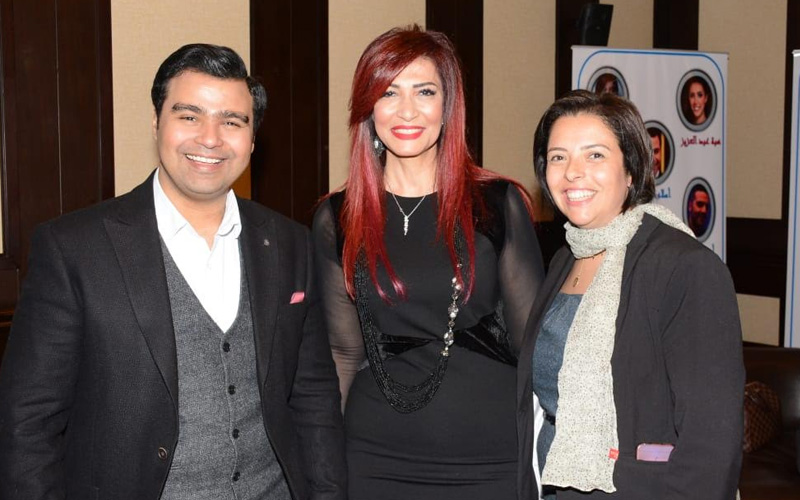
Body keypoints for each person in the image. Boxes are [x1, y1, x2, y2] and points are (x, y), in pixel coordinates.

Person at [0, 44, 346, 499]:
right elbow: (27, 423)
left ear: (252, 138)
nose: (210, 138)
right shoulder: (74, 249)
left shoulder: (290, 244)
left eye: (232, 121)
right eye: (189, 116)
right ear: (156, 122)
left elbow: (313, 397)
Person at [312, 25, 545, 500]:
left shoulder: (496, 204)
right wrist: (322, 465)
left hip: (489, 458)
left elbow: (534, 346)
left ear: (448, 105)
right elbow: (343, 353)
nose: (407, 110)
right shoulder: (337, 217)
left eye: (424, 92)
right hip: (374, 459)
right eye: (389, 92)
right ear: (368, 108)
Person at [517, 90, 743, 499]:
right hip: (550, 481)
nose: (573, 172)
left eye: (595, 155)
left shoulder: (683, 267)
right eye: (558, 157)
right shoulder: (565, 258)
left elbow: (711, 443)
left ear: (631, 171)